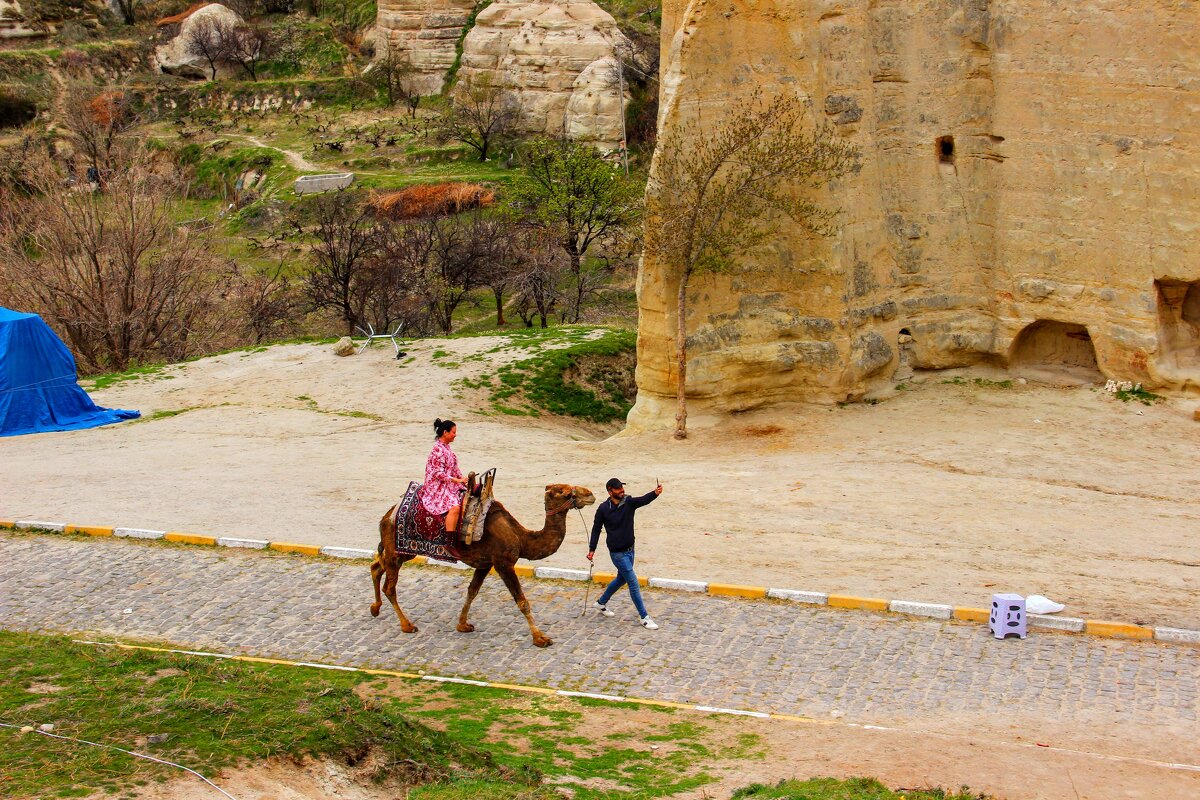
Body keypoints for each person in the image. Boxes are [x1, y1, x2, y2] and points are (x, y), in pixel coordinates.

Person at [587, 477, 664, 629]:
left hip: (630, 550)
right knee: (633, 583)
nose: (622, 491)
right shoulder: (603, 509)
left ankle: (601, 602)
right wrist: (592, 549)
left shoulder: (628, 502)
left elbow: (643, 500)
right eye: (618, 489)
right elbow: (596, 529)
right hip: (617, 554)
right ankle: (644, 617)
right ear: (610, 491)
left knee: (621, 579)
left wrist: (655, 493)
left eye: (622, 488)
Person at [423, 418, 468, 534]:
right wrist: (457, 480)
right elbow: (438, 474)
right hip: (437, 486)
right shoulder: (437, 450)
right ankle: (449, 543)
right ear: (445, 433)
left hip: (448, 483)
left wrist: (463, 480)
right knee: (455, 507)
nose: (455, 435)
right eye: (453, 432)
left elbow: (454, 468)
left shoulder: (447, 448)